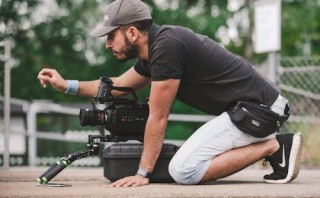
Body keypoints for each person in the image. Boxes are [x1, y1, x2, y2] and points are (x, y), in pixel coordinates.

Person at [37, 0, 304, 187]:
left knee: (183, 171)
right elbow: (118, 86)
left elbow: (159, 115)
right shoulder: (155, 51)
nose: (107, 44)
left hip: (259, 110)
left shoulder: (167, 47)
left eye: (111, 37)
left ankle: (275, 145)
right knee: (184, 165)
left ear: (132, 32)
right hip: (251, 110)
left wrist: (143, 173)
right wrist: (67, 85)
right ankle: (273, 146)